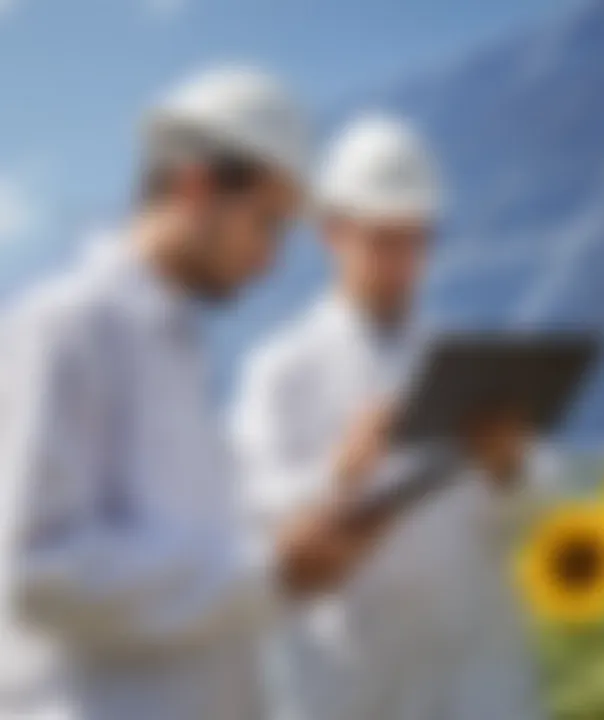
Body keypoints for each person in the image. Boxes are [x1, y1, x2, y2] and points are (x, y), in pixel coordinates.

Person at [1, 70, 405, 720]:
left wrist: (336, 484)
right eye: (267, 223)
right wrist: (268, 574)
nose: (271, 260)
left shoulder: (174, 348)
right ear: (194, 187)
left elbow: (199, 536)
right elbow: (34, 570)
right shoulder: (64, 331)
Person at [234, 115, 553, 720]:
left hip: (477, 687)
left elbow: (538, 508)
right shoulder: (279, 372)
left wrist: (510, 466)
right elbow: (249, 535)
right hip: (356, 691)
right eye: (382, 239)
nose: (401, 260)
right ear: (333, 232)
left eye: (415, 239)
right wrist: (338, 471)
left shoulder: (467, 362)